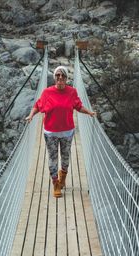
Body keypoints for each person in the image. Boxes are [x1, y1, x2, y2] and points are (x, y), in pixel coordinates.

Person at [26, 65, 96, 198]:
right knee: (52, 158)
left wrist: (89, 113)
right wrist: (31, 116)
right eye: (58, 75)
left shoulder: (72, 92)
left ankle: (63, 177)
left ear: (66, 78)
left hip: (67, 132)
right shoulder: (47, 92)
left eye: (63, 75)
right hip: (50, 132)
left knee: (65, 158)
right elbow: (37, 106)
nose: (60, 78)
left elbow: (78, 106)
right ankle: (56, 184)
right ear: (54, 78)